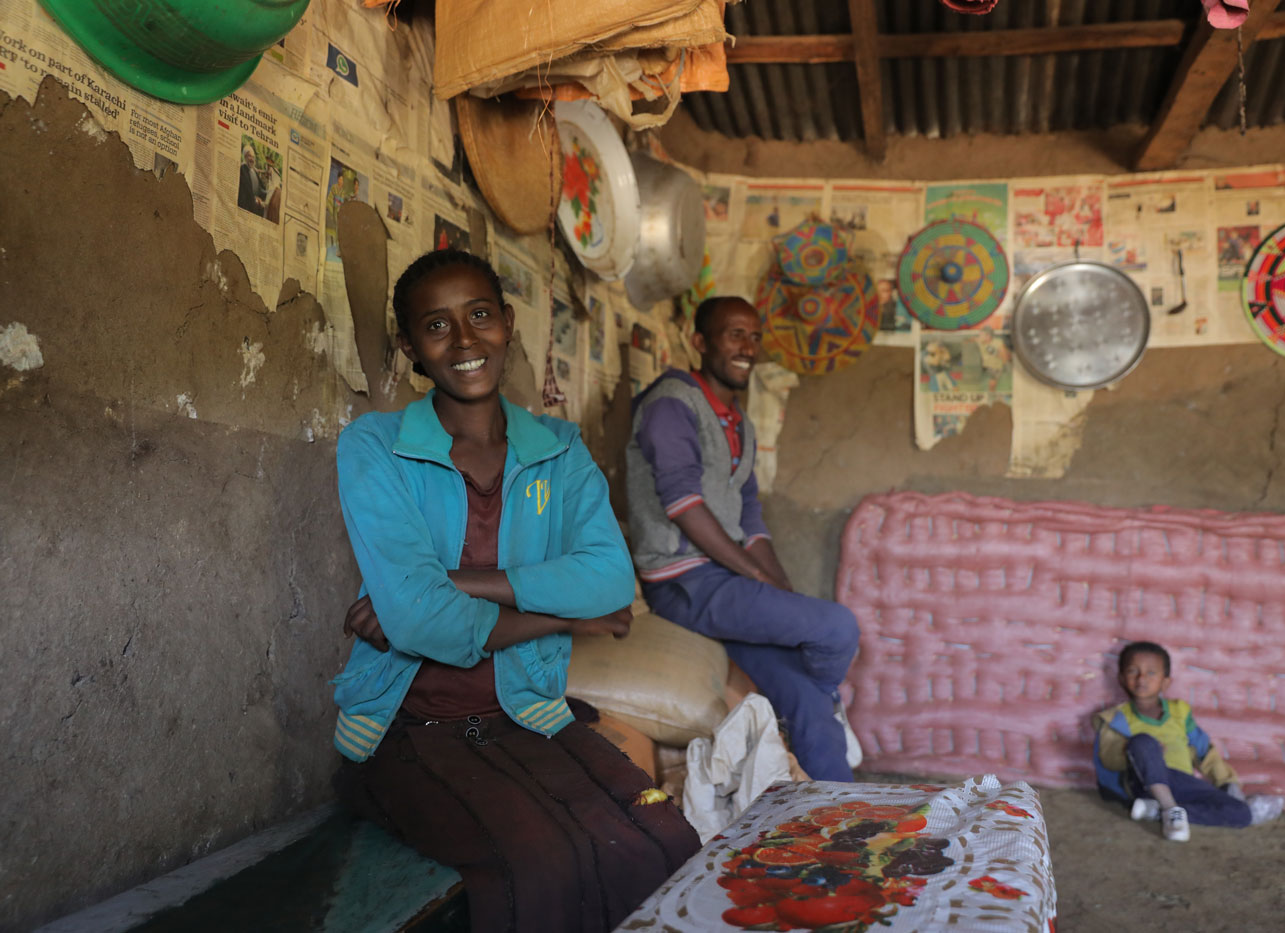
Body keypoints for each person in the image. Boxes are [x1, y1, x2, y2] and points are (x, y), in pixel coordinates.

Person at [332, 249, 699, 932]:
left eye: (479, 316)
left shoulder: (559, 449)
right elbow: (418, 624)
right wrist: (568, 620)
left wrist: (450, 581)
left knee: (669, 840)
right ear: (411, 347)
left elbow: (610, 578)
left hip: (528, 717)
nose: (465, 341)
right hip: (413, 733)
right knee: (541, 867)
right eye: (437, 326)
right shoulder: (374, 446)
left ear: (507, 323)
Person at [626, 295, 862, 781]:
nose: (747, 347)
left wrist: (780, 592)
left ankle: (839, 822)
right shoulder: (670, 404)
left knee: (804, 697)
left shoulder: (739, 423)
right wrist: (755, 578)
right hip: (683, 583)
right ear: (699, 343)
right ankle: (829, 695)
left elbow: (750, 517)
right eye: (734, 334)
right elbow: (682, 504)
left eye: (754, 336)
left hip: (725, 583)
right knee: (836, 628)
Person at [1093, 641, 1280, 842]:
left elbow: (1203, 751)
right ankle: (1168, 806)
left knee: (1242, 813)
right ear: (1121, 678)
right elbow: (1109, 760)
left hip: (1182, 782)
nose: (1141, 679)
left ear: (1165, 682)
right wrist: (1144, 753)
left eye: (1151, 673)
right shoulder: (1116, 718)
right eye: (1133, 671)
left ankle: (1158, 811)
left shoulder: (1179, 712)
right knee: (1143, 742)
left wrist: (1226, 782)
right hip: (1142, 783)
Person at [237, 145, 265, 215]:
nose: (252, 159)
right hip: (247, 208)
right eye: (249, 156)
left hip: (258, 206)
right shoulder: (242, 169)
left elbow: (261, 189)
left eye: (253, 157)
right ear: (245, 157)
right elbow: (245, 191)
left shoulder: (255, 171)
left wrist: (271, 192)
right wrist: (254, 198)